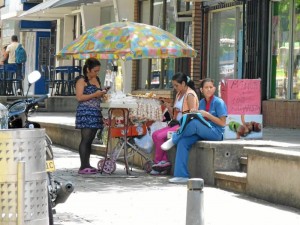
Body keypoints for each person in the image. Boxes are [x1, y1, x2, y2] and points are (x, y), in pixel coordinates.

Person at [161, 78, 228, 183]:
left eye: (211, 87)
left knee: (194, 124)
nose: (209, 89)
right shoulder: (201, 102)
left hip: (216, 132)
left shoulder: (219, 102)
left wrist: (207, 115)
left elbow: (223, 123)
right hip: (203, 131)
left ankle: (174, 139)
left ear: (214, 89)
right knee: (183, 141)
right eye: (206, 87)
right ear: (201, 90)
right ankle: (181, 175)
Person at [150, 72, 199, 175]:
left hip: (183, 125)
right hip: (175, 123)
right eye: (174, 85)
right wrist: (167, 106)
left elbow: (192, 114)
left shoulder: (190, 95)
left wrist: (182, 128)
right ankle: (163, 162)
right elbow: (174, 114)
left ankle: (158, 162)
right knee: (155, 134)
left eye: (176, 85)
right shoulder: (178, 94)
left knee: (159, 136)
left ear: (184, 83)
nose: (175, 87)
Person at [75, 58, 107, 175]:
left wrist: (102, 94)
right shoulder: (81, 80)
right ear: (88, 69)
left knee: (90, 140)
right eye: (94, 71)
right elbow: (79, 97)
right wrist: (95, 94)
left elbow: (97, 95)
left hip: (96, 112)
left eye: (98, 71)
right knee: (86, 139)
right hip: (86, 112)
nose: (96, 73)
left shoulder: (97, 79)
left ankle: (87, 164)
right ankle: (83, 166)